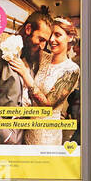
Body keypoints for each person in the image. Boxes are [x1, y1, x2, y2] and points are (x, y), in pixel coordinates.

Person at [0, 7, 54, 145]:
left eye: (45, 41)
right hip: (5, 133)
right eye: (40, 39)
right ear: (28, 29)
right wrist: (4, 132)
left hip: (28, 134)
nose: (43, 46)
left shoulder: (35, 59)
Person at [10, 18, 80, 146]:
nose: (51, 39)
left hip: (48, 134)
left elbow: (48, 105)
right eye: (51, 35)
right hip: (28, 129)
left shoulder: (72, 70)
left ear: (70, 37)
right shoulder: (43, 57)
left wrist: (25, 75)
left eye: (57, 35)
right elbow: (28, 43)